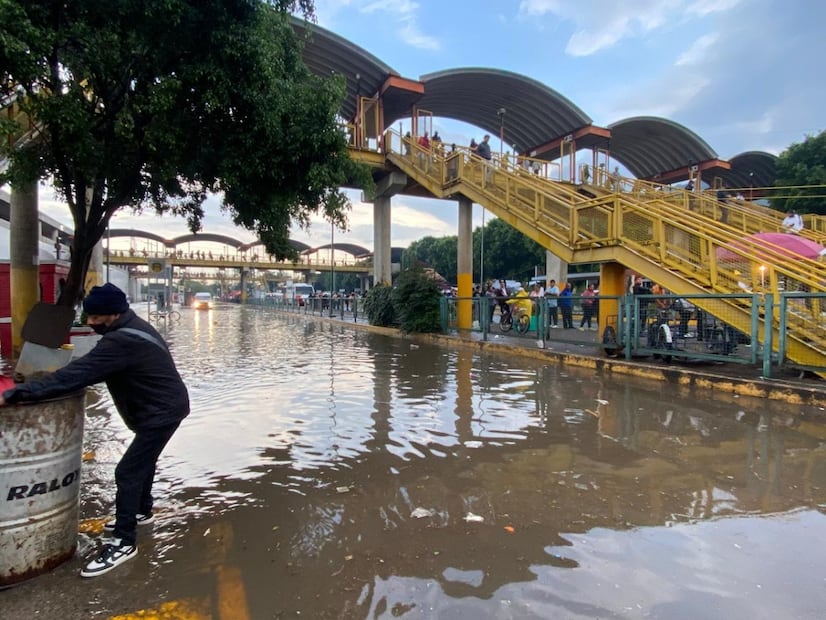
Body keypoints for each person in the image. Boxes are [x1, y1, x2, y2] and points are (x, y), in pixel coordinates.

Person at [0, 283, 190, 578]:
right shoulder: (133, 326)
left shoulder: (121, 341)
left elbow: (78, 374)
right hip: (162, 408)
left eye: (95, 317)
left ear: (113, 314)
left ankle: (124, 543)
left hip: (160, 414)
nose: (90, 322)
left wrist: (18, 393)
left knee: (127, 472)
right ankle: (141, 511)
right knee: (143, 462)